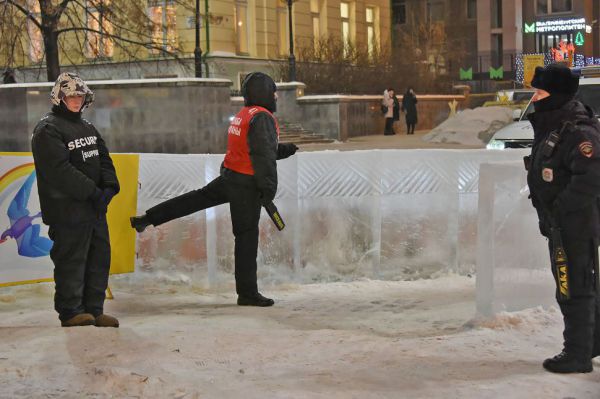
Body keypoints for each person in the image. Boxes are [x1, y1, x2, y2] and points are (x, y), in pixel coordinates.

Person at [130, 72, 298, 307]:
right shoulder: (263, 118)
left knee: (194, 199)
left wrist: (286, 149)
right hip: (246, 186)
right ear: (264, 93)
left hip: (229, 177)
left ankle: (148, 218)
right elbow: (263, 156)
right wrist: (267, 189)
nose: (276, 96)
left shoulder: (244, 115)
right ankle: (247, 293)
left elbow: (255, 148)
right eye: (273, 92)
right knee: (246, 239)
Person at [524, 63, 600, 373]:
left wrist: (562, 207)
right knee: (579, 283)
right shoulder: (554, 124)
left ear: (555, 94)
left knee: (573, 286)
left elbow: (592, 175)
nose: (535, 98)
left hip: (575, 223)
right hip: (562, 222)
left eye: (540, 92)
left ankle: (577, 355)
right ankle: (590, 343)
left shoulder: (576, 129)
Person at [31, 72, 120, 328]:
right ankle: (71, 311)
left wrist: (110, 187)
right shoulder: (47, 129)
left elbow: (103, 157)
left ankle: (94, 309)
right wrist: (93, 192)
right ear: (59, 96)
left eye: (80, 95)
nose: (76, 100)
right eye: (71, 95)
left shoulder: (87, 127)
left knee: (98, 258)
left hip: (93, 210)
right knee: (71, 260)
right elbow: (59, 171)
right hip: (67, 211)